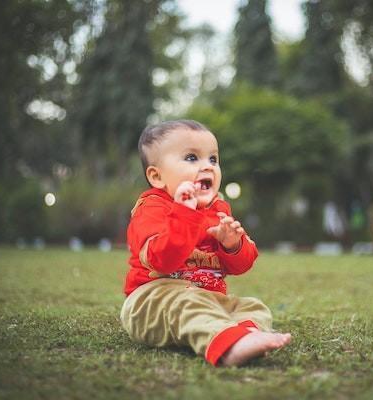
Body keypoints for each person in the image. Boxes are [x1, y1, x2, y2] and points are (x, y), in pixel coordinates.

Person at [120, 120, 291, 366]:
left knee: (253, 306)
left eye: (213, 159)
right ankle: (229, 345)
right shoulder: (152, 208)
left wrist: (232, 245)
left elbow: (241, 265)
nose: (207, 167)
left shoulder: (218, 209)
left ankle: (245, 333)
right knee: (189, 304)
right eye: (192, 158)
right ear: (157, 176)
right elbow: (162, 260)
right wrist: (184, 215)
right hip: (153, 300)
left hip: (207, 298)